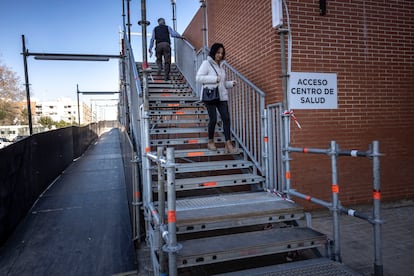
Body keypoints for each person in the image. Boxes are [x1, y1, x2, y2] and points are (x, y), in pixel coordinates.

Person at [196, 43, 237, 154]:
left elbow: (221, 83)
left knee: (226, 119)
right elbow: (199, 78)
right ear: (213, 52)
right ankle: (210, 141)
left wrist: (230, 84)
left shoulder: (221, 66)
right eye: (218, 52)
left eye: (222, 53)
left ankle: (228, 143)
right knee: (213, 119)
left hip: (222, 96)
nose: (220, 55)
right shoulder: (206, 63)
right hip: (210, 95)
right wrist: (214, 79)